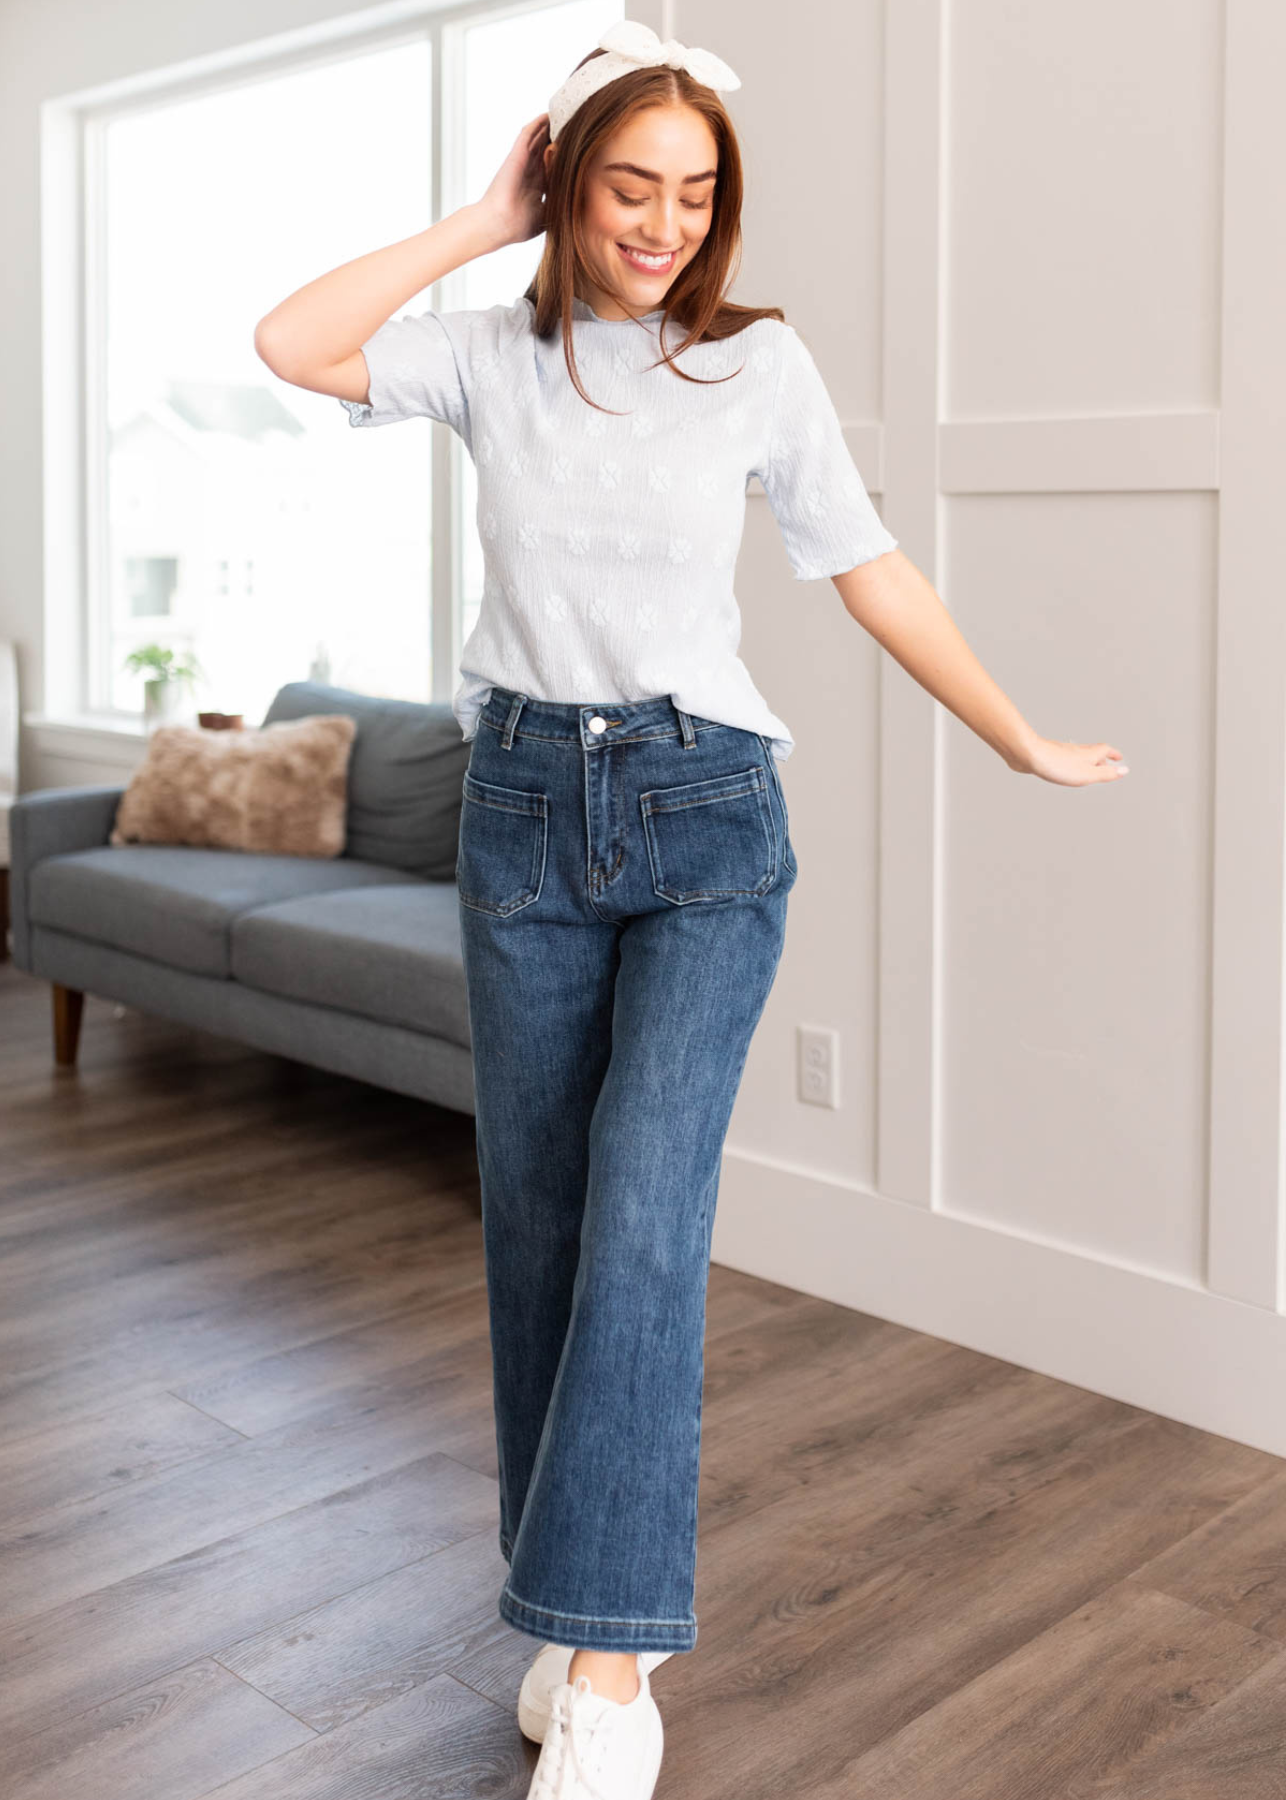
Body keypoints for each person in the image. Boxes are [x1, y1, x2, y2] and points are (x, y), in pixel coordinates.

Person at [255, 19, 1129, 1799]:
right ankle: (578, 1607)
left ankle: (606, 1666)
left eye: (694, 192)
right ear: (571, 186)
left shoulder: (754, 367)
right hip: (514, 817)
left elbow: (865, 565)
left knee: (645, 1225)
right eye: (628, 186)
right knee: (543, 1233)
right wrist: (477, 217)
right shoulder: (490, 356)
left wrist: (1017, 731)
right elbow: (290, 344)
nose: (662, 224)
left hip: (703, 813)